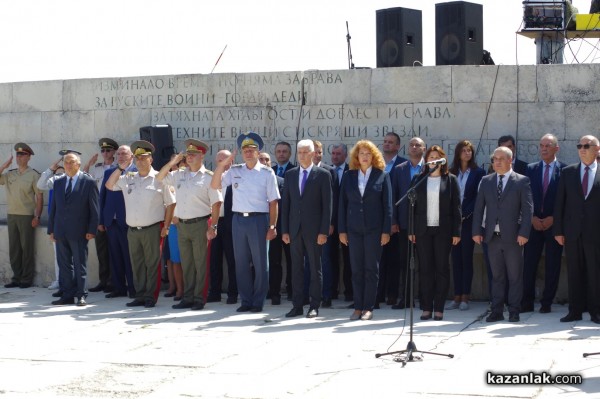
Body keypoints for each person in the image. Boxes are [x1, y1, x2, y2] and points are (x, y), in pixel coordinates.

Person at [211, 132, 280, 313]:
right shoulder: (235, 171)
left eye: (252, 150)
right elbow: (215, 184)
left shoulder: (267, 172)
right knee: (240, 262)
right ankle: (246, 300)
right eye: (245, 150)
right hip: (238, 220)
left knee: (260, 263)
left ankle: (258, 301)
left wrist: (272, 226)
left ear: (258, 152)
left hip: (259, 219)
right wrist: (223, 165)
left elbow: (273, 202)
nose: (248, 153)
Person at [106, 140, 175, 308]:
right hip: (133, 229)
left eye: (144, 158)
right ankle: (140, 294)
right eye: (137, 158)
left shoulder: (160, 178)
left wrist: (166, 226)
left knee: (152, 264)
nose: (140, 161)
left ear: (151, 159)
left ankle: (150, 296)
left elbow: (171, 203)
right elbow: (109, 185)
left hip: (152, 228)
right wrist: (121, 168)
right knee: (136, 263)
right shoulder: (128, 178)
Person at [157, 139, 222, 311]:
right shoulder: (179, 174)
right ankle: (188, 297)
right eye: (188, 154)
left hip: (200, 223)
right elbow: (159, 177)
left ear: (202, 156)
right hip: (182, 225)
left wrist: (213, 226)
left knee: (200, 264)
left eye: (193, 154)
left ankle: (199, 298)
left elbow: (216, 203)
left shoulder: (208, 177)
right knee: (187, 263)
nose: (190, 157)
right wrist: (173, 162)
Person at [473, 146, 533, 323]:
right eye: (494, 159)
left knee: (515, 276)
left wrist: (524, 233)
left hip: (514, 237)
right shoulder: (486, 181)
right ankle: (497, 310)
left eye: (501, 159)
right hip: (492, 237)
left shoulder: (522, 181)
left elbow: (528, 210)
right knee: (497, 276)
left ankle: (514, 310)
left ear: (510, 160)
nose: (497, 162)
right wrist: (477, 230)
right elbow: (479, 208)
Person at [338, 140, 392, 321]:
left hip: (374, 230)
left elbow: (388, 206)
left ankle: (368, 307)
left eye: (368, 154)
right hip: (353, 230)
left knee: (371, 269)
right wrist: (342, 230)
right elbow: (342, 205)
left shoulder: (382, 176)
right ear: (356, 156)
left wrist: (386, 231)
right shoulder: (348, 176)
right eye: (362, 153)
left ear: (374, 156)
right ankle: (357, 306)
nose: (365, 157)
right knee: (356, 269)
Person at [410, 145, 461, 321]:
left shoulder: (451, 180)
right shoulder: (419, 179)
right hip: (422, 231)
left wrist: (456, 232)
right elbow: (412, 208)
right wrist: (411, 230)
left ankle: (439, 308)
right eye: (430, 157)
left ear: (442, 160)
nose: (433, 160)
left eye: (436, 157)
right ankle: (426, 307)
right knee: (425, 269)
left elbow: (456, 207)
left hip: (443, 231)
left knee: (442, 269)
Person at [281, 139, 332, 318]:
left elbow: (327, 206)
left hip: (314, 230)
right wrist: (285, 230)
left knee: (315, 267)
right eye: (300, 152)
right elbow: (286, 204)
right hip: (294, 230)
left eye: (305, 152)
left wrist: (323, 231)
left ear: (312, 154)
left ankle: (314, 305)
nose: (302, 155)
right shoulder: (290, 175)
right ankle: (297, 305)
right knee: (296, 269)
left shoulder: (323, 175)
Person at [554, 135, 600, 324]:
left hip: (595, 233)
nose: (582, 149)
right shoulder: (568, 172)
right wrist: (558, 230)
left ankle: (596, 311)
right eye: (579, 145)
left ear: (597, 149)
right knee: (574, 272)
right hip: (572, 232)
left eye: (586, 146)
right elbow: (559, 204)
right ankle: (575, 311)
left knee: (595, 272)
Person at [47, 152, 99, 306]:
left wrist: (92, 229)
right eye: (66, 162)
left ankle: (81, 294)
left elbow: (94, 210)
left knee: (79, 264)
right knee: (64, 265)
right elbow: (54, 209)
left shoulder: (88, 182)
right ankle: (67, 294)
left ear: (78, 164)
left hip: (80, 231)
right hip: (61, 231)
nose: (68, 165)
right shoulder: (58, 182)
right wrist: (51, 230)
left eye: (72, 162)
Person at [522, 134, 566, 314]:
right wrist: (531, 217)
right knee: (529, 263)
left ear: (556, 148)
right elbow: (524, 197)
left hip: (554, 225)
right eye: (541, 145)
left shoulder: (565, 170)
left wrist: (554, 218)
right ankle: (526, 302)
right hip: (533, 224)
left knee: (553, 264)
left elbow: (566, 199)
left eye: (548, 145)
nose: (544, 148)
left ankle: (547, 302)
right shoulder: (530, 169)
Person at [446, 140, 485, 311]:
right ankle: (456, 296)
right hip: (453, 222)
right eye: (464, 150)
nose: (467, 153)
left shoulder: (478, 173)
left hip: (469, 221)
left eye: (469, 150)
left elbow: (479, 197)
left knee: (466, 258)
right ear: (458, 153)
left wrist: (466, 213)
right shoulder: (451, 172)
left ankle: (465, 297)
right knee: (455, 260)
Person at [0, 143, 43, 289]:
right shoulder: (10, 174)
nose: (19, 157)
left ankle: (26, 278)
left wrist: (37, 216)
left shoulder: (33, 175)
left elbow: (39, 197)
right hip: (12, 215)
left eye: (22, 154)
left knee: (26, 248)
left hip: (26, 215)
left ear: (29, 157)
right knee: (14, 249)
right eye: (17, 154)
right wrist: (4, 165)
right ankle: (16, 277)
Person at [391, 137, 426, 309]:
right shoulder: (399, 169)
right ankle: (404, 298)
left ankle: (425, 298)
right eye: (411, 145)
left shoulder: (430, 168)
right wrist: (394, 220)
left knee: (425, 262)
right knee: (405, 263)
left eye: (417, 145)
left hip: (425, 224)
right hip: (405, 223)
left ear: (424, 148)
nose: (414, 147)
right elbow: (393, 196)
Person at [100, 145, 137, 299]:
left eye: (124, 153)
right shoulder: (109, 172)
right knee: (115, 256)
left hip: (128, 221)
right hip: (111, 221)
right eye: (119, 153)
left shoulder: (137, 172)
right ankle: (118, 287)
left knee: (129, 257)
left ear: (132, 156)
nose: (121, 156)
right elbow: (103, 196)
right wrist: (101, 220)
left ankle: (133, 288)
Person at [83, 138, 119, 294]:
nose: (105, 153)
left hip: (113, 213)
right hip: (99, 211)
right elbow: (83, 179)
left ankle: (114, 280)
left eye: (108, 150)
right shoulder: (97, 169)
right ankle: (103, 280)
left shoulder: (119, 168)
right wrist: (88, 164)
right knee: (101, 249)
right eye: (103, 151)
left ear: (114, 152)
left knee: (114, 249)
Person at [377, 132, 407, 307]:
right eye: (385, 141)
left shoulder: (402, 165)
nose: (387, 145)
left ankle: (392, 294)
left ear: (398, 146)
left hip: (394, 221)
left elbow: (397, 194)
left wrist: (393, 220)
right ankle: (378, 294)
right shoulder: (376, 163)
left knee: (394, 260)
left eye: (391, 142)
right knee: (379, 260)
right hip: (377, 220)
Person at [206, 149, 238, 304]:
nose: (222, 164)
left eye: (224, 160)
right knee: (214, 259)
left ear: (231, 161)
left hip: (232, 222)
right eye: (219, 161)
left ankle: (233, 293)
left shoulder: (237, 177)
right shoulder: (212, 178)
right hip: (215, 222)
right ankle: (215, 292)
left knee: (233, 260)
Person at [310, 140, 336, 307]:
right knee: (307, 262)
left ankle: (326, 295)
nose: (317, 154)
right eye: (315, 151)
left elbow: (333, 199)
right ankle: (308, 294)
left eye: (319, 152)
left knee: (324, 261)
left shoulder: (329, 171)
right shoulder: (298, 172)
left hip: (323, 225)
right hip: (306, 225)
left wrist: (330, 223)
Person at [259, 152, 286, 305]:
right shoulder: (250, 180)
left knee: (275, 261)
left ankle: (275, 293)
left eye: (267, 159)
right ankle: (260, 291)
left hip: (275, 227)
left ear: (271, 163)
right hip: (255, 226)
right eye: (261, 159)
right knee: (257, 262)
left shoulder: (281, 181)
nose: (264, 161)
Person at [270, 141, 294, 301]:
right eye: (278, 151)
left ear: (290, 153)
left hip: (291, 223)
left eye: (284, 151)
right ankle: (274, 293)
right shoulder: (269, 172)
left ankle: (293, 291)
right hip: (273, 223)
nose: (281, 154)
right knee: (274, 259)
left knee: (293, 260)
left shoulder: (295, 171)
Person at [330, 143, 352, 301]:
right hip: (330, 223)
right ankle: (331, 290)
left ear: (345, 155)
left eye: (338, 154)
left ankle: (349, 291)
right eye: (333, 153)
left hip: (347, 222)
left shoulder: (352, 172)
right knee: (330, 258)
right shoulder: (327, 171)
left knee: (349, 258)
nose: (335, 156)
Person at [163, 154, 186, 301]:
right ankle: (177, 288)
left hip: (186, 222)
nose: (175, 165)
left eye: (178, 162)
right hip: (171, 224)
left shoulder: (189, 178)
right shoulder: (168, 180)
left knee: (189, 260)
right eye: (173, 162)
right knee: (174, 259)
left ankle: (189, 289)